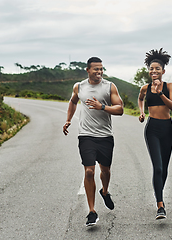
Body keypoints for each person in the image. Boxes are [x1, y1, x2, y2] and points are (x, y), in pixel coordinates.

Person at [63, 57, 124, 227]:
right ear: (88, 70)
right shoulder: (79, 86)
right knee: (89, 171)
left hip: (105, 136)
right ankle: (92, 211)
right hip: (86, 135)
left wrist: (102, 107)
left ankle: (105, 191)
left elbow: (120, 109)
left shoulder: (109, 86)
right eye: (96, 69)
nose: (99, 72)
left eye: (101, 69)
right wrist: (68, 120)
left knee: (105, 170)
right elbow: (73, 101)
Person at [137, 48, 172, 220]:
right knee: (158, 167)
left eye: (157, 69)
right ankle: (160, 205)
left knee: (165, 169)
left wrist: (160, 93)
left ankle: (158, 192)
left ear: (163, 71)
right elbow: (140, 99)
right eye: (151, 69)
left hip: (167, 128)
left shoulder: (170, 87)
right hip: (152, 128)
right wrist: (141, 112)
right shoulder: (145, 88)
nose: (154, 71)